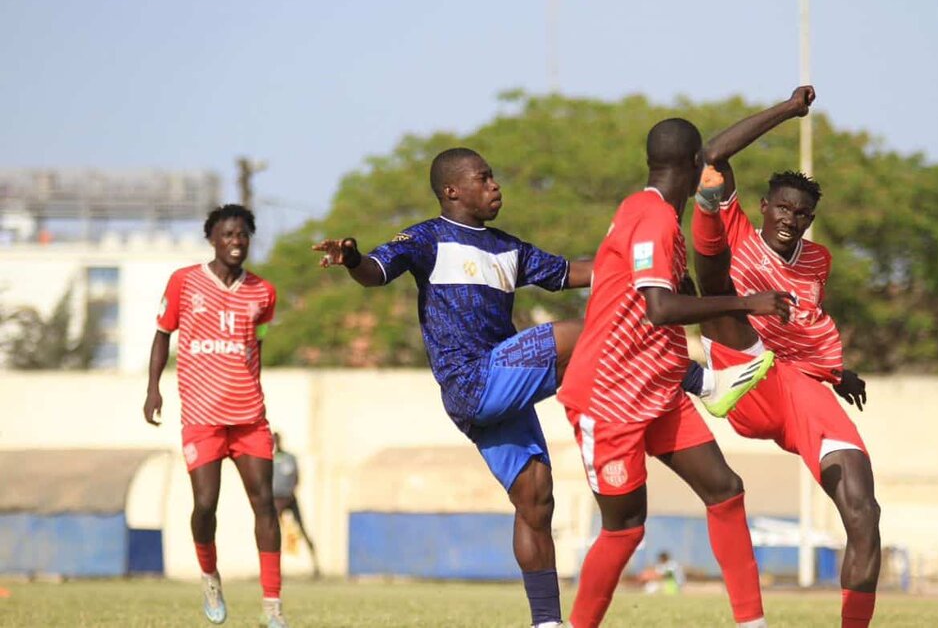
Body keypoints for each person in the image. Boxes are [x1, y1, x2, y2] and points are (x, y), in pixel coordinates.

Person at [313, 147, 593, 628]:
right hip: (472, 381)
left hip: (504, 385)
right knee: (585, 334)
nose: (494, 186)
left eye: (493, 177)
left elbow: (572, 272)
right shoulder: (426, 238)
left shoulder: (509, 248)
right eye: (484, 179)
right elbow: (375, 273)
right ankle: (691, 378)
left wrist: (634, 262)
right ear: (452, 191)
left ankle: (547, 623)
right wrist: (353, 257)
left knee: (536, 499)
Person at [557, 106, 799, 628]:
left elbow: (646, 290)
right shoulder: (652, 217)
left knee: (725, 490)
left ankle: (752, 623)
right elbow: (658, 308)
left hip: (657, 390)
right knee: (624, 528)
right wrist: (745, 304)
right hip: (609, 397)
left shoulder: (645, 211)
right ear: (693, 163)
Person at [688, 85, 881, 628]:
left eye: (802, 213)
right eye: (783, 208)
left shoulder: (818, 261)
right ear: (765, 207)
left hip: (799, 389)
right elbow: (713, 155)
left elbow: (803, 329)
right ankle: (699, 377)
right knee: (713, 282)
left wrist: (836, 372)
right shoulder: (739, 231)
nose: (791, 219)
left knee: (864, 514)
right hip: (744, 376)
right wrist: (789, 110)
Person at [143, 204, 288, 628]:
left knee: (264, 503)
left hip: (249, 418)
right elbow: (162, 334)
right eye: (227, 235)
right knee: (205, 505)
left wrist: (255, 395)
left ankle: (273, 606)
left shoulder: (263, 292)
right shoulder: (185, 282)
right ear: (212, 238)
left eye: (242, 235)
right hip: (202, 417)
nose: (236, 242)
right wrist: (154, 388)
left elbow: (256, 345)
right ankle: (210, 576)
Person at [273, 432, 320, 577]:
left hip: (289, 498)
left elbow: (297, 477)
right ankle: (274, 570)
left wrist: (290, 492)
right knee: (273, 533)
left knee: (302, 529)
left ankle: (316, 566)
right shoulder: (269, 459)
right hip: (275, 499)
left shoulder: (289, 458)